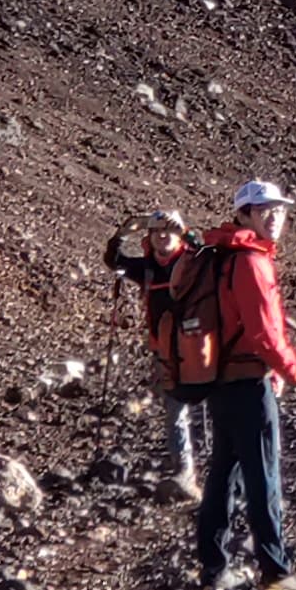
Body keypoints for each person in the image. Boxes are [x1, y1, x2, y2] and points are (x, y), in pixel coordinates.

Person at [175, 177, 296, 590]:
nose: (275, 217)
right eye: (266, 210)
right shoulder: (251, 261)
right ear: (245, 214)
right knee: (262, 475)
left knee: (224, 474)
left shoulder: (220, 254)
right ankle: (275, 569)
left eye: (279, 209)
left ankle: (213, 568)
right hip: (248, 382)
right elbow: (264, 334)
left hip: (219, 378)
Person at [104, 209, 202, 498]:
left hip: (201, 348)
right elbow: (114, 261)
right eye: (156, 231)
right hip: (166, 351)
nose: (162, 235)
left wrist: (189, 235)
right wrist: (120, 235)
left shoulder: (193, 261)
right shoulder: (146, 267)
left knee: (209, 407)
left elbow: (215, 257)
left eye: (169, 231)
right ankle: (185, 470)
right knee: (176, 412)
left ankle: (221, 468)